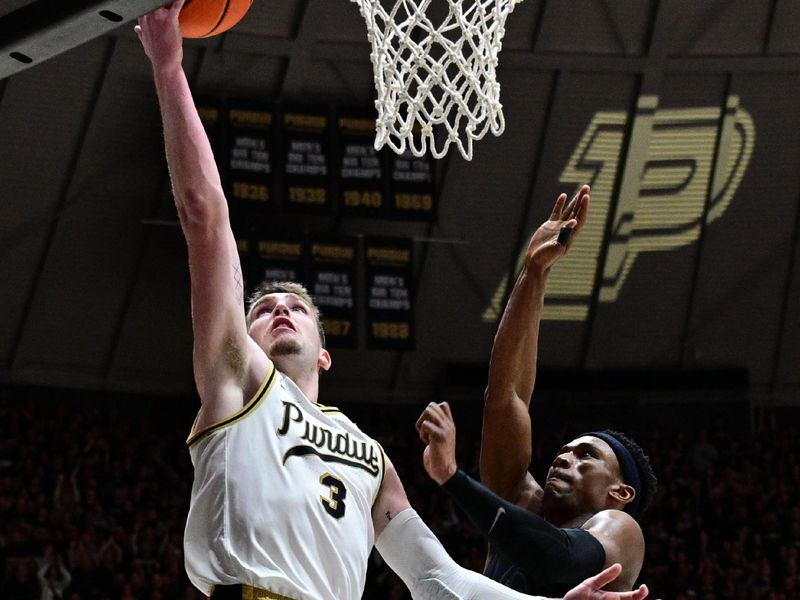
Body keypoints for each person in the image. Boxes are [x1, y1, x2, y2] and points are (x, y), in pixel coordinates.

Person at [135, 3, 650, 599]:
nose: (280, 309)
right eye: (262, 308)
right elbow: (205, 217)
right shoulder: (237, 380)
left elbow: (438, 578)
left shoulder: (371, 455)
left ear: (325, 355)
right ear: (240, 338)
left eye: (298, 307)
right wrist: (169, 68)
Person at [417, 189, 658, 595]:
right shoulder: (520, 502)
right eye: (566, 450)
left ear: (621, 490)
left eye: (586, 455)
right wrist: (534, 273)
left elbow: (555, 560)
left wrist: (453, 478)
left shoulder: (620, 530)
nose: (564, 457)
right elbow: (506, 395)